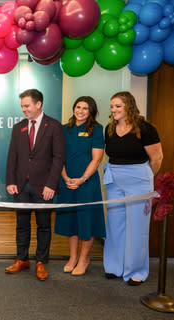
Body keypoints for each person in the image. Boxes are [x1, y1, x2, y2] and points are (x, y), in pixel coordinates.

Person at [103, 91, 163, 286]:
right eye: (112, 106)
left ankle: (136, 271)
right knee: (115, 225)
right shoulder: (109, 129)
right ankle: (114, 266)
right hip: (114, 180)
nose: (113, 110)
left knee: (137, 227)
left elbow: (157, 159)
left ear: (129, 106)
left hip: (139, 181)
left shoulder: (145, 128)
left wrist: (145, 180)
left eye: (118, 106)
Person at [5, 89, 66, 280]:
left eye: (27, 105)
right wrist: (11, 181)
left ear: (38, 104)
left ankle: (41, 262)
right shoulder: (18, 127)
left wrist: (51, 184)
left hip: (43, 187)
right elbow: (12, 157)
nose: (23, 109)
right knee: (21, 225)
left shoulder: (54, 126)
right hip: (21, 186)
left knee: (43, 225)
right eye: (22, 106)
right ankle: (22, 259)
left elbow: (58, 158)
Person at [54, 96, 105, 276]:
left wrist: (82, 179)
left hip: (87, 183)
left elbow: (97, 159)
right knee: (71, 222)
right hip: (67, 181)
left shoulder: (96, 130)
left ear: (91, 111)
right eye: (78, 107)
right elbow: (58, 156)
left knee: (86, 221)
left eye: (85, 108)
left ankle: (84, 259)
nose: (80, 111)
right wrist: (66, 177)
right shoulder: (63, 129)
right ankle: (73, 257)